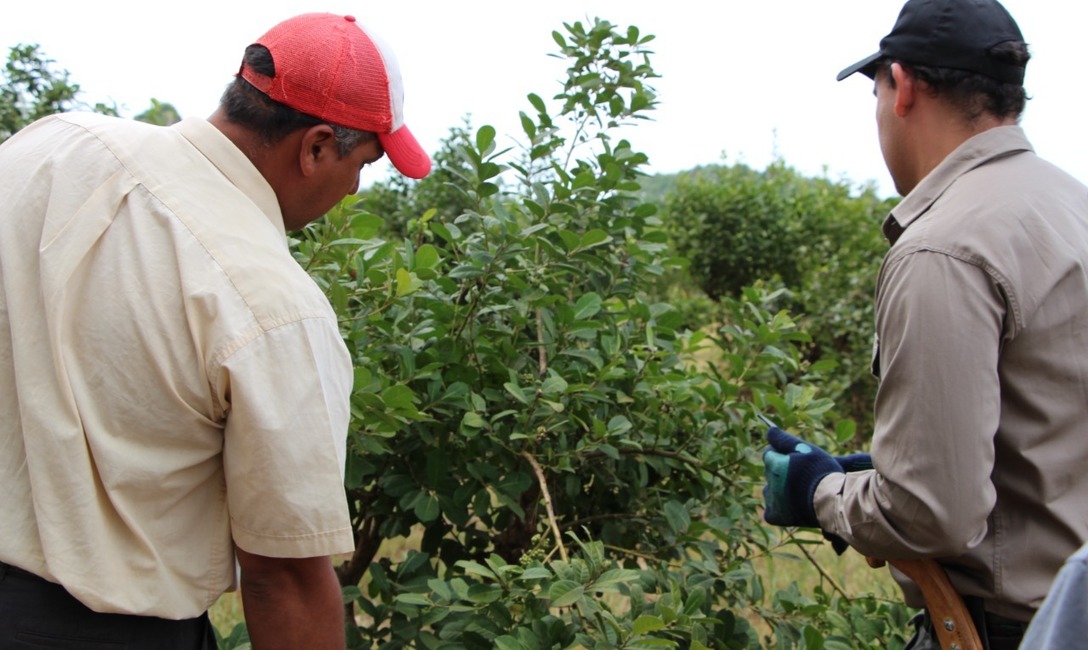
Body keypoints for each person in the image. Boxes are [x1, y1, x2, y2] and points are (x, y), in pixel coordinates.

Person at [0, 13, 429, 649]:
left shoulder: (47, 148)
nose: (355, 189)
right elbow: (283, 579)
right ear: (314, 148)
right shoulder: (275, 309)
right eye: (363, 164)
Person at [760, 0, 1088, 648]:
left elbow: (932, 516)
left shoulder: (943, 246)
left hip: (1016, 632)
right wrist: (880, 474)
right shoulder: (1071, 205)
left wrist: (820, 490)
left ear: (901, 86)